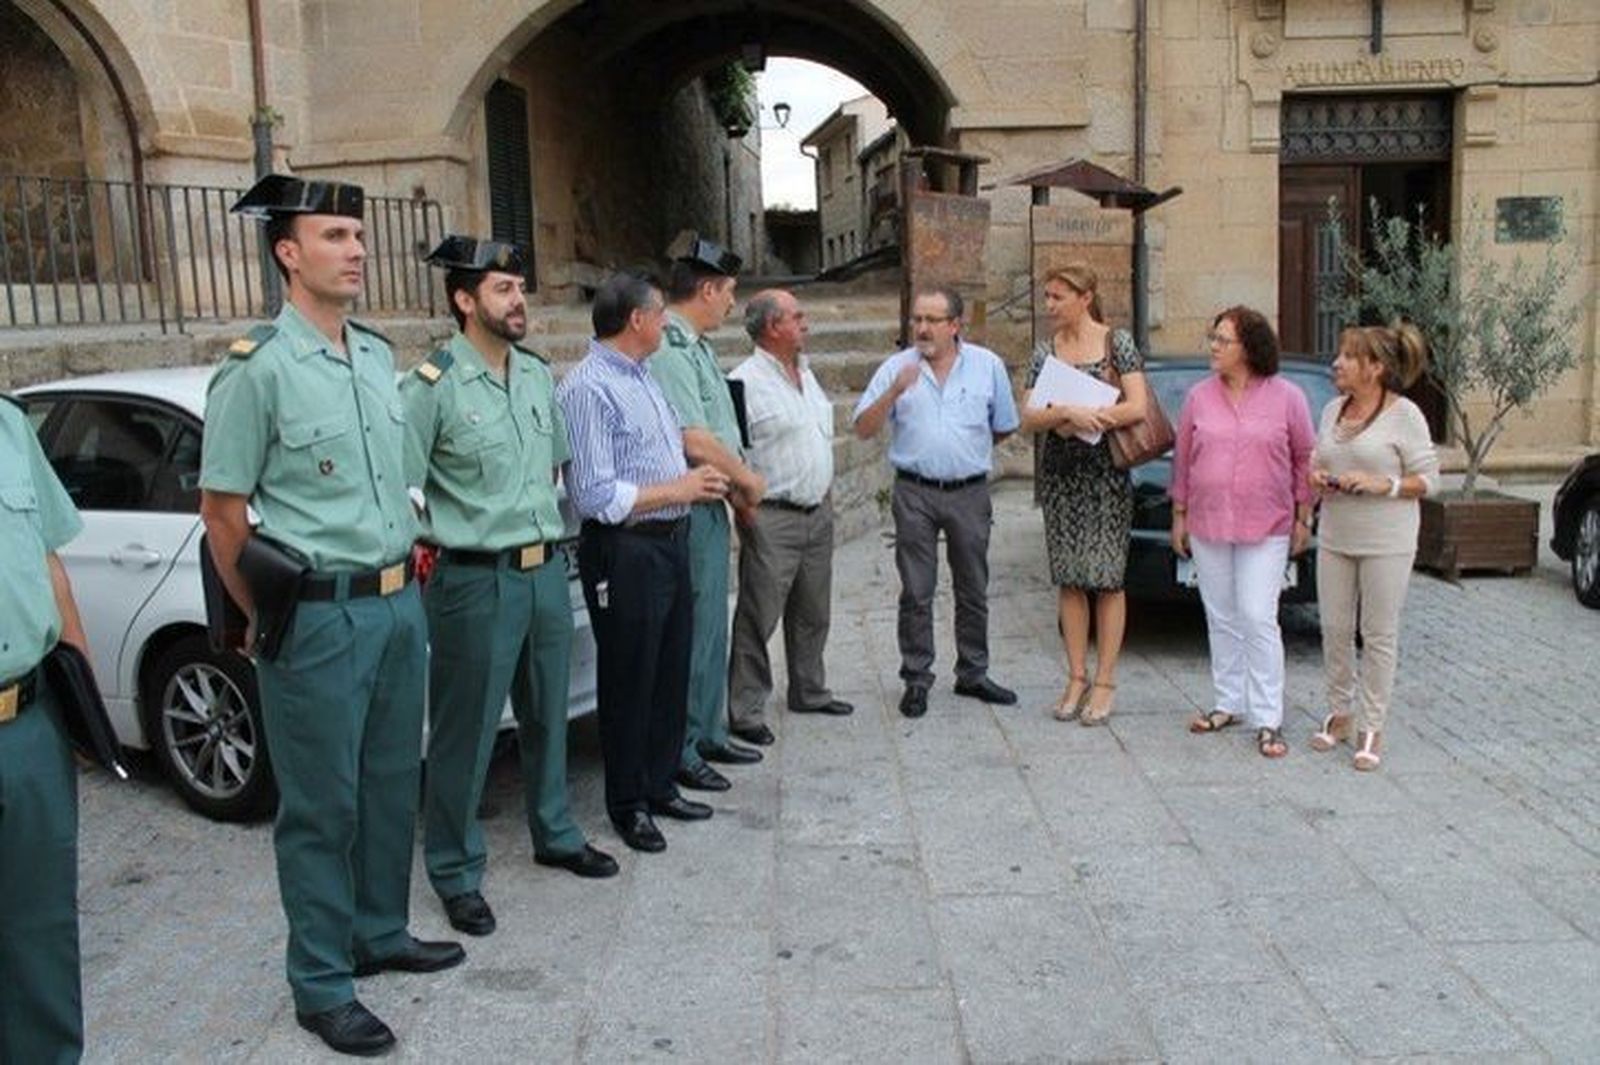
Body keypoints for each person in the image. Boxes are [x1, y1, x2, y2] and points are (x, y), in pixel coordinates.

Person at [199, 174, 463, 1057]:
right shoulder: (256, 371)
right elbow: (224, 515)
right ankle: (320, 980)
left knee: (394, 783)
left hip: (397, 607)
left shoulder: (373, 357)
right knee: (320, 808)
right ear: (288, 252)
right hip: (317, 620)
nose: (356, 250)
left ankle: (379, 930)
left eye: (357, 235)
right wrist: (272, 615)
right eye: (335, 235)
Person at [402, 236, 619, 941]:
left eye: (520, 286)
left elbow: (555, 471)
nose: (518, 298)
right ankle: (456, 870)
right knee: (465, 734)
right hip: (473, 579)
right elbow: (404, 493)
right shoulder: (429, 387)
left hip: (544, 571)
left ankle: (554, 829)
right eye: (501, 288)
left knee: (548, 712)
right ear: (465, 300)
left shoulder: (533, 375)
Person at [558, 268, 732, 854]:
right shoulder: (587, 389)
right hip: (625, 549)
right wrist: (677, 490)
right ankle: (627, 803)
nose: (666, 321)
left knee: (668, 667)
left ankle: (660, 784)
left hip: (668, 542)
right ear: (637, 320)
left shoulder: (645, 376)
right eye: (660, 312)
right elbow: (595, 496)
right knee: (630, 677)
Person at [853, 286, 1021, 719]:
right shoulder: (897, 367)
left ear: (954, 325)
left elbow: (1003, 426)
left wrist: (965, 453)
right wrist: (893, 392)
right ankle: (916, 678)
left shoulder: (987, 366)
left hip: (969, 491)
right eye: (916, 320)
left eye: (931, 320)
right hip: (914, 492)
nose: (922, 328)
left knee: (973, 587)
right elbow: (863, 428)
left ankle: (973, 673)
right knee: (916, 591)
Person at [647, 233, 767, 791]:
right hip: (687, 505)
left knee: (711, 626)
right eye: (729, 293)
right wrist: (748, 481)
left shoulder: (695, 345)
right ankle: (683, 746)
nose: (731, 305)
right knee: (692, 629)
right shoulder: (670, 348)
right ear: (708, 288)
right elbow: (693, 438)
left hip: (711, 502)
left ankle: (708, 730)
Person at [1173, 306, 1316, 758]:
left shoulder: (1287, 397)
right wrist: (1179, 514)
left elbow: (1304, 458)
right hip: (1209, 520)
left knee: (1257, 615)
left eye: (1223, 340)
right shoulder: (1199, 396)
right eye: (1212, 337)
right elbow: (1183, 459)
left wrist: (1303, 515)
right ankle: (1228, 702)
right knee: (1221, 615)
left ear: (1249, 348)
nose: (1213, 346)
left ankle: (1268, 715)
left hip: (1268, 523)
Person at [1019, 264, 1149, 726]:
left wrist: (1095, 416)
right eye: (1047, 296)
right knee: (1070, 576)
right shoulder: (1044, 350)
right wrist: (1065, 413)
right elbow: (1029, 415)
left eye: (1057, 297)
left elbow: (1138, 404)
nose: (1049, 305)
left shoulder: (1119, 342)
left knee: (1108, 578)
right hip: (1062, 474)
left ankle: (1106, 679)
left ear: (1085, 297)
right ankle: (1076, 676)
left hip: (1105, 474)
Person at [0, 394, 89, 1065]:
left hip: (27, 724)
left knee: (40, 934)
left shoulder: (5, 423)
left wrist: (80, 702)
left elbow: (50, 565)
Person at [1309, 322, 1439, 771]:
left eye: (1348, 357)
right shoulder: (1331, 411)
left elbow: (1429, 480)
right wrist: (1318, 478)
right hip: (1336, 535)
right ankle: (1339, 711)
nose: (1337, 363)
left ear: (1376, 368)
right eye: (1339, 354)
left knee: (1378, 635)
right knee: (1335, 628)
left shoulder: (1405, 415)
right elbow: (1315, 460)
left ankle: (1372, 725)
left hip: (1387, 540)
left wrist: (1382, 483)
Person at [726, 289, 853, 747]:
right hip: (773, 516)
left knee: (814, 609)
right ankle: (746, 709)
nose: (806, 323)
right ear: (772, 327)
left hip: (817, 511)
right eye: (797, 317)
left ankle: (809, 689)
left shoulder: (806, 372)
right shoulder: (741, 383)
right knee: (758, 615)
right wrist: (745, 510)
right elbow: (731, 455)